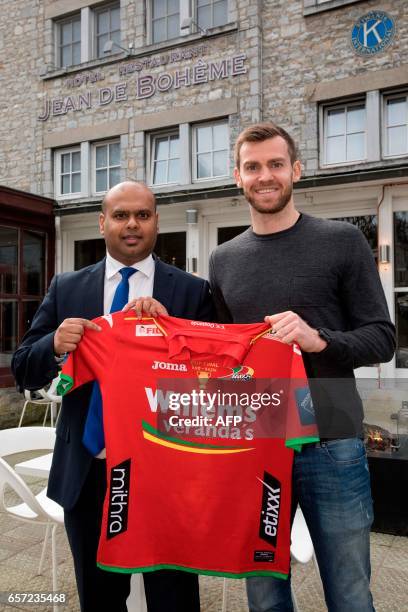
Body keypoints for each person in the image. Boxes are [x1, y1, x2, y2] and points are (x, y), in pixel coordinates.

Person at [209, 123, 396, 612]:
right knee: (265, 593)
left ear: (295, 169)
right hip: (255, 447)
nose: (264, 176)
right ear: (237, 177)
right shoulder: (223, 259)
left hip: (332, 442)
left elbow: (383, 338)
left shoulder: (342, 241)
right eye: (253, 167)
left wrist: (318, 339)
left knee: (350, 593)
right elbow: (222, 357)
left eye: (275, 164)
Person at [12, 180, 213, 612]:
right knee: (99, 601)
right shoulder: (67, 288)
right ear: (102, 223)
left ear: (157, 222)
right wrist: (53, 344)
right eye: (121, 215)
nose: (132, 224)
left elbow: (215, 383)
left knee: (173, 601)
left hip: (167, 478)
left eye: (142, 214)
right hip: (88, 475)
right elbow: (22, 367)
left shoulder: (191, 292)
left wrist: (175, 335)